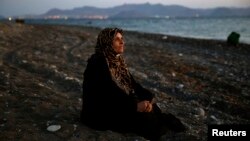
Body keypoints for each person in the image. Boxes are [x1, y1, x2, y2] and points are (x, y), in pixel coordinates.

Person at [80, 27, 186, 141]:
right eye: (117, 39)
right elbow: (109, 93)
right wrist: (134, 106)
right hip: (99, 113)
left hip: (115, 104)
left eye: (122, 38)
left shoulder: (116, 62)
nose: (122, 42)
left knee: (153, 109)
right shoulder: (98, 63)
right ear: (106, 42)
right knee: (147, 120)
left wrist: (148, 98)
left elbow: (133, 85)